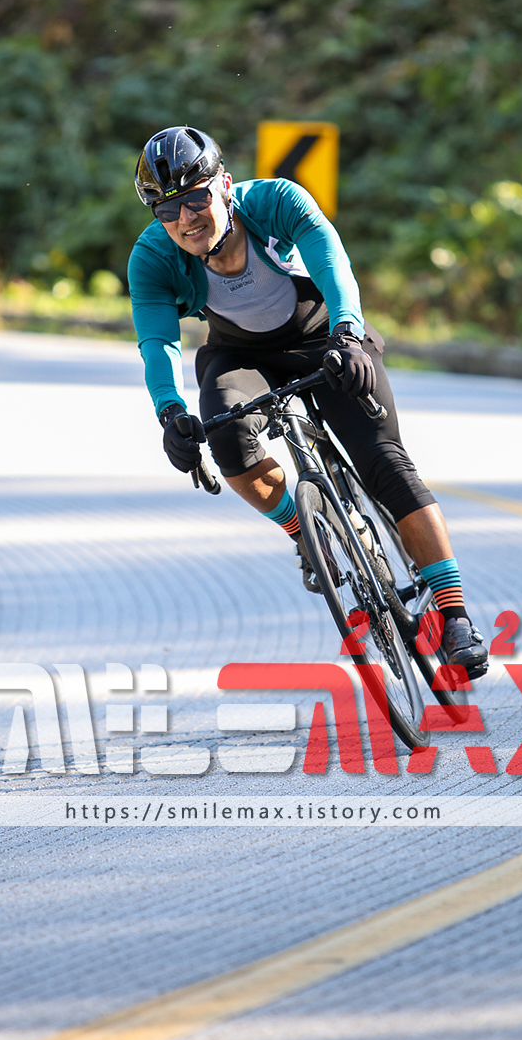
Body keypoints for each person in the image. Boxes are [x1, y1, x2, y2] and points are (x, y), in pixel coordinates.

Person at [127, 125, 488, 677]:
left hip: (326, 339)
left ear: (224, 185)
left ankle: (455, 614)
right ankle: (306, 533)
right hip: (241, 355)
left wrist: (348, 333)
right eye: (167, 210)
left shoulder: (276, 202)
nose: (185, 219)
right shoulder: (153, 257)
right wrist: (169, 411)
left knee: (385, 464)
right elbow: (158, 342)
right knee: (224, 433)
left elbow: (332, 263)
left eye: (196, 199)